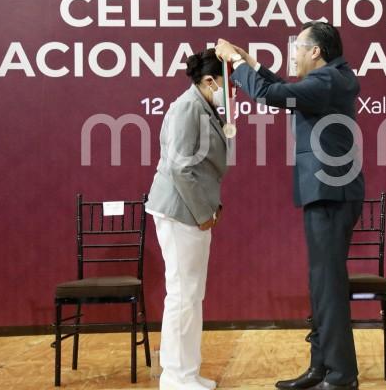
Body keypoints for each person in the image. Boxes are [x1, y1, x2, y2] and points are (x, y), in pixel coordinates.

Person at [215, 21, 365, 390]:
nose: (293, 54)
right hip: (325, 194)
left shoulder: (329, 81)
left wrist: (236, 65)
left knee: (327, 285)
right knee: (320, 284)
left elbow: (273, 95)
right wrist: (250, 64)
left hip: (332, 195)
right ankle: (321, 367)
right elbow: (280, 87)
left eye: (298, 47)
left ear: (316, 51)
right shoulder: (329, 81)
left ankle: (342, 375)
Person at [146, 48, 230, 390]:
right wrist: (203, 213)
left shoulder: (202, 105)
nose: (233, 91)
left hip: (191, 211)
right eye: (229, 84)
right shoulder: (187, 107)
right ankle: (175, 377)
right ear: (209, 80)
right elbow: (181, 166)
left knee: (191, 294)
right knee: (182, 294)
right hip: (182, 212)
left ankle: (188, 372)